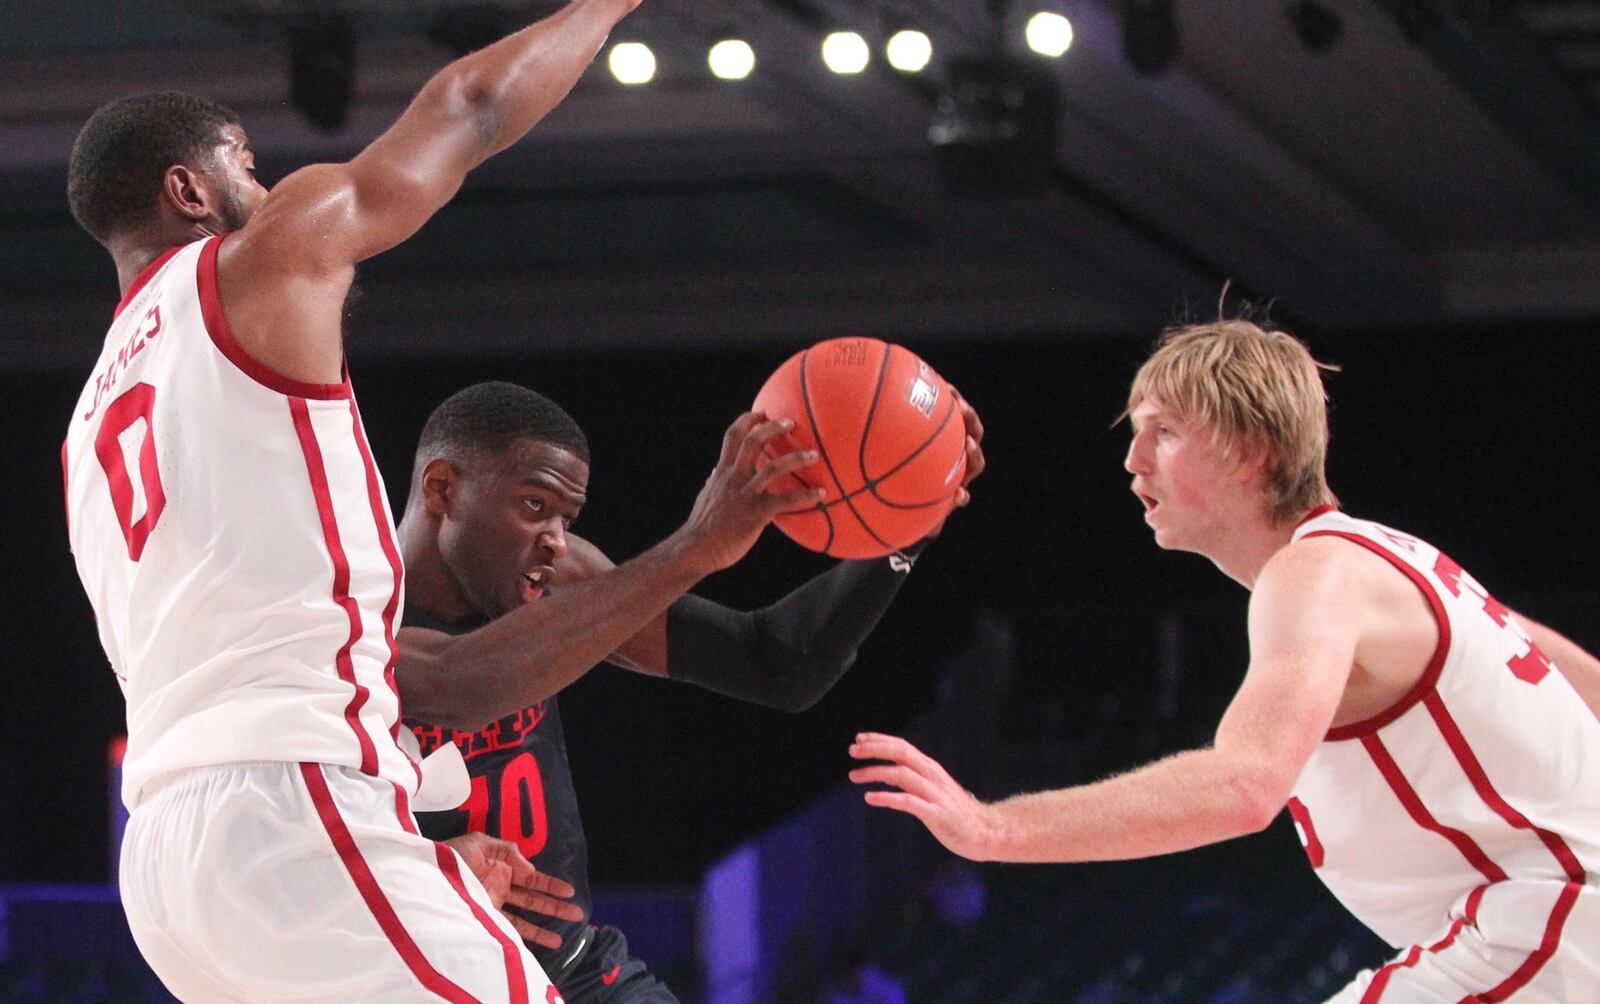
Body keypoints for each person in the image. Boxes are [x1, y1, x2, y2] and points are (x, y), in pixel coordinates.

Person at [54, 2, 818, 998]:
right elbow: (470, 106)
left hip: (166, 864)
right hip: (295, 807)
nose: (270, 186)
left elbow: (292, 657)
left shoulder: (87, 421)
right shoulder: (255, 264)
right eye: (246, 163)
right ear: (188, 188)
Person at [848, 319, 1600, 1002]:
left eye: (1163, 432)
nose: (1133, 461)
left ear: (1250, 451)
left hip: (1546, 923)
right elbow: (1584, 681)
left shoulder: (1311, 575)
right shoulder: (1407, 561)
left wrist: (994, 829)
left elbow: (1245, 787)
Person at [393, 380, 986, 1002]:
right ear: (442, 489)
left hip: (574, 972)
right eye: (536, 506)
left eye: (568, 517)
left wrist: (905, 524)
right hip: (422, 980)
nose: (558, 540)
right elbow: (460, 685)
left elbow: (777, 663)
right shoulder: (350, 610)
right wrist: (695, 545)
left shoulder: (553, 573)